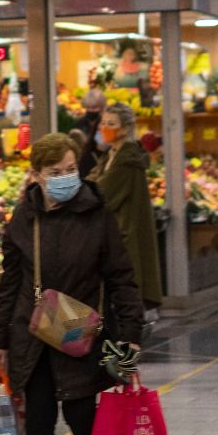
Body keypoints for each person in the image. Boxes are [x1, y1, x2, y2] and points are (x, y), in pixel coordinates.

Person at [0, 133, 144, 435]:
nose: (65, 178)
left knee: (80, 415)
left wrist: (131, 331)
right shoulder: (24, 217)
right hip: (33, 330)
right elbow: (9, 283)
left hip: (80, 330)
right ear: (36, 175)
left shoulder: (96, 213)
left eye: (71, 170)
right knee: (38, 422)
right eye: (55, 172)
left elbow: (122, 276)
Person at [87, 102, 163, 309]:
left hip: (122, 238)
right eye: (103, 122)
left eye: (111, 123)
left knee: (121, 303)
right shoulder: (112, 155)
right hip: (115, 236)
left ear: (126, 129)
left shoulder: (127, 159)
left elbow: (101, 192)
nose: (104, 128)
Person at [74, 89, 106, 177]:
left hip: (99, 166)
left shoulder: (104, 124)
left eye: (94, 108)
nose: (90, 111)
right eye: (88, 108)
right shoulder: (80, 123)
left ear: (102, 107)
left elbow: (103, 145)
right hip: (84, 166)